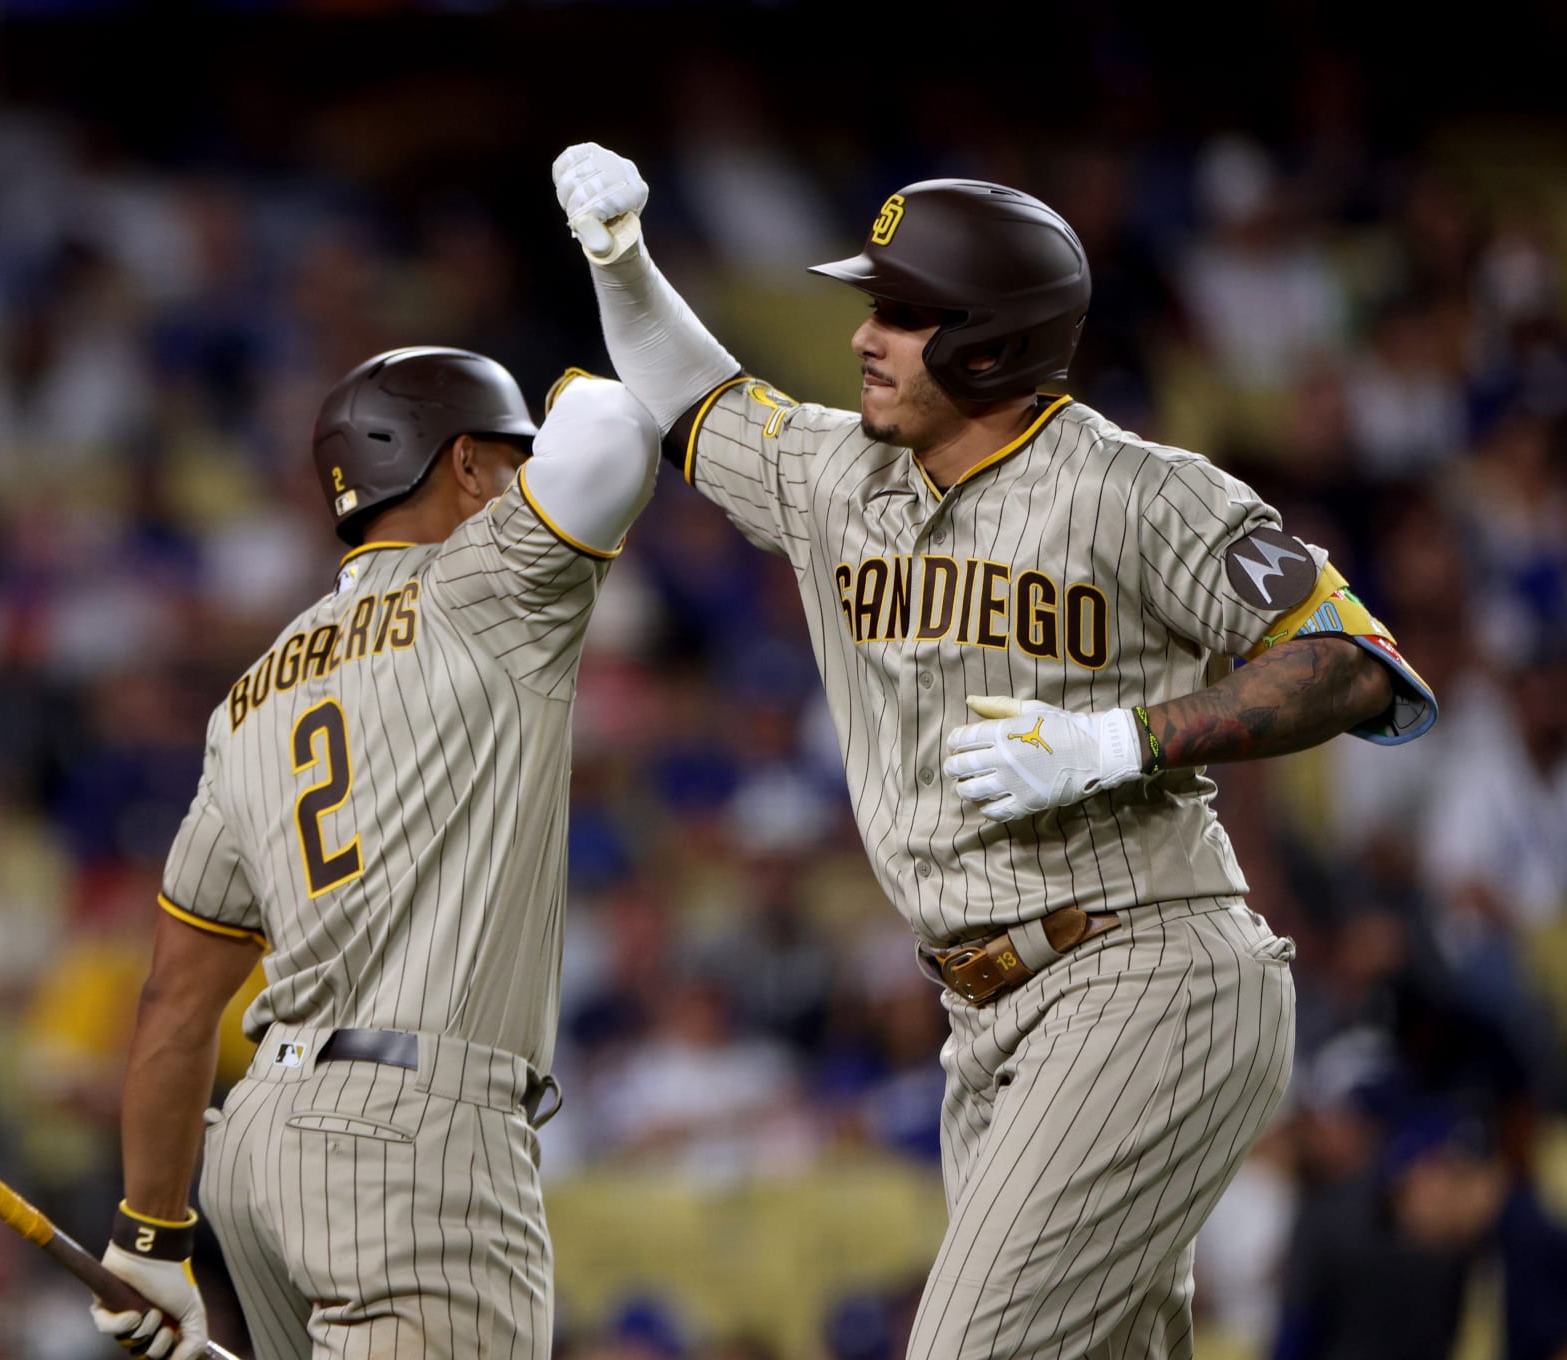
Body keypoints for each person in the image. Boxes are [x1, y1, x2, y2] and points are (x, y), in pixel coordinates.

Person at [551, 145, 1436, 1359]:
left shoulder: (1138, 491)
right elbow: (690, 398)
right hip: (988, 1015)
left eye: (905, 314)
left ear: (992, 341)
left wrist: (1121, 737)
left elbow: (1353, 662)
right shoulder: (836, 474)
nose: (866, 335)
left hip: (1145, 971)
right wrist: (624, 261)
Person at [86, 346, 660, 1359]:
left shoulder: (250, 697)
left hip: (261, 1142)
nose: (528, 480)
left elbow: (176, 996)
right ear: (467, 466)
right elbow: (617, 423)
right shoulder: (488, 585)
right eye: (510, 458)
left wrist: (150, 1231)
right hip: (416, 1135)